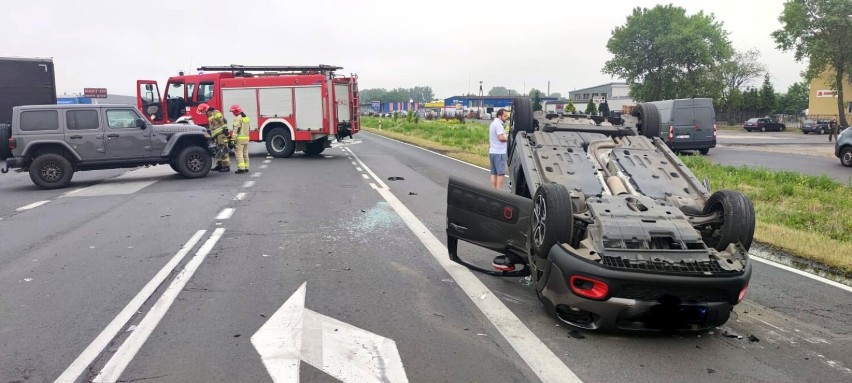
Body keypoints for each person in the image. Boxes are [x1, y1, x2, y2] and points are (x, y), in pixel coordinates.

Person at [197, 103, 230, 172]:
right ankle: (219, 165)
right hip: (215, 135)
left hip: (221, 134)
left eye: (202, 111)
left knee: (223, 149)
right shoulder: (209, 115)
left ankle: (226, 166)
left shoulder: (216, 113)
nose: (203, 113)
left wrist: (225, 130)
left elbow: (223, 121)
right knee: (218, 150)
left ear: (205, 109)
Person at [489, 108, 509, 190]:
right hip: (499, 153)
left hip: (492, 152)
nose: (506, 118)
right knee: (500, 174)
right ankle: (499, 192)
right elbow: (501, 137)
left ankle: (493, 191)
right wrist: (508, 138)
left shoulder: (493, 123)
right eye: (505, 116)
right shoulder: (498, 125)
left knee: (493, 173)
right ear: (499, 116)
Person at [229, 104, 251, 174]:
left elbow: (236, 130)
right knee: (245, 154)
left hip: (239, 140)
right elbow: (248, 129)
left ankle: (241, 169)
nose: (232, 113)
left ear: (236, 111)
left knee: (239, 154)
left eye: (233, 112)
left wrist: (232, 140)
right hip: (246, 139)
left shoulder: (237, 119)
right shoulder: (246, 118)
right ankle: (246, 167)